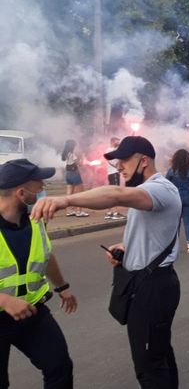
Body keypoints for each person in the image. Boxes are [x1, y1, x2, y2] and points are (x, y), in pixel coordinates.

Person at [32, 136, 182, 388]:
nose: (119, 167)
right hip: (151, 282)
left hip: (153, 288)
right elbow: (156, 233)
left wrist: (66, 200)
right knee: (158, 353)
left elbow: (115, 195)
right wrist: (126, 248)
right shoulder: (148, 190)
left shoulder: (158, 188)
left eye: (124, 160)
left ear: (143, 161)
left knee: (149, 366)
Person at [0, 159, 77, 389]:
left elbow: (45, 254)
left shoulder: (35, 219)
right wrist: (4, 300)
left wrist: (62, 287)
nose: (43, 187)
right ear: (21, 193)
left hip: (32, 311)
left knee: (60, 367)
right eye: (38, 184)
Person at [166, 149, 189, 254]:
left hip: (175, 200)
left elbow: (166, 185)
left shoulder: (171, 171)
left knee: (176, 224)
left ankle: (174, 246)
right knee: (188, 223)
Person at [61, 139, 89, 218]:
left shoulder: (66, 154)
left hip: (68, 174)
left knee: (69, 193)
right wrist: (82, 157)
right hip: (75, 174)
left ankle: (69, 210)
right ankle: (79, 211)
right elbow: (80, 164)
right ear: (72, 146)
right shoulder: (73, 155)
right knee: (79, 193)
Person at [105, 137, 126, 220]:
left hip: (112, 173)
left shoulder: (110, 150)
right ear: (113, 142)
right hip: (113, 173)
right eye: (117, 142)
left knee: (111, 192)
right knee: (115, 193)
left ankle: (109, 212)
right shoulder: (110, 150)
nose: (118, 143)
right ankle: (115, 213)